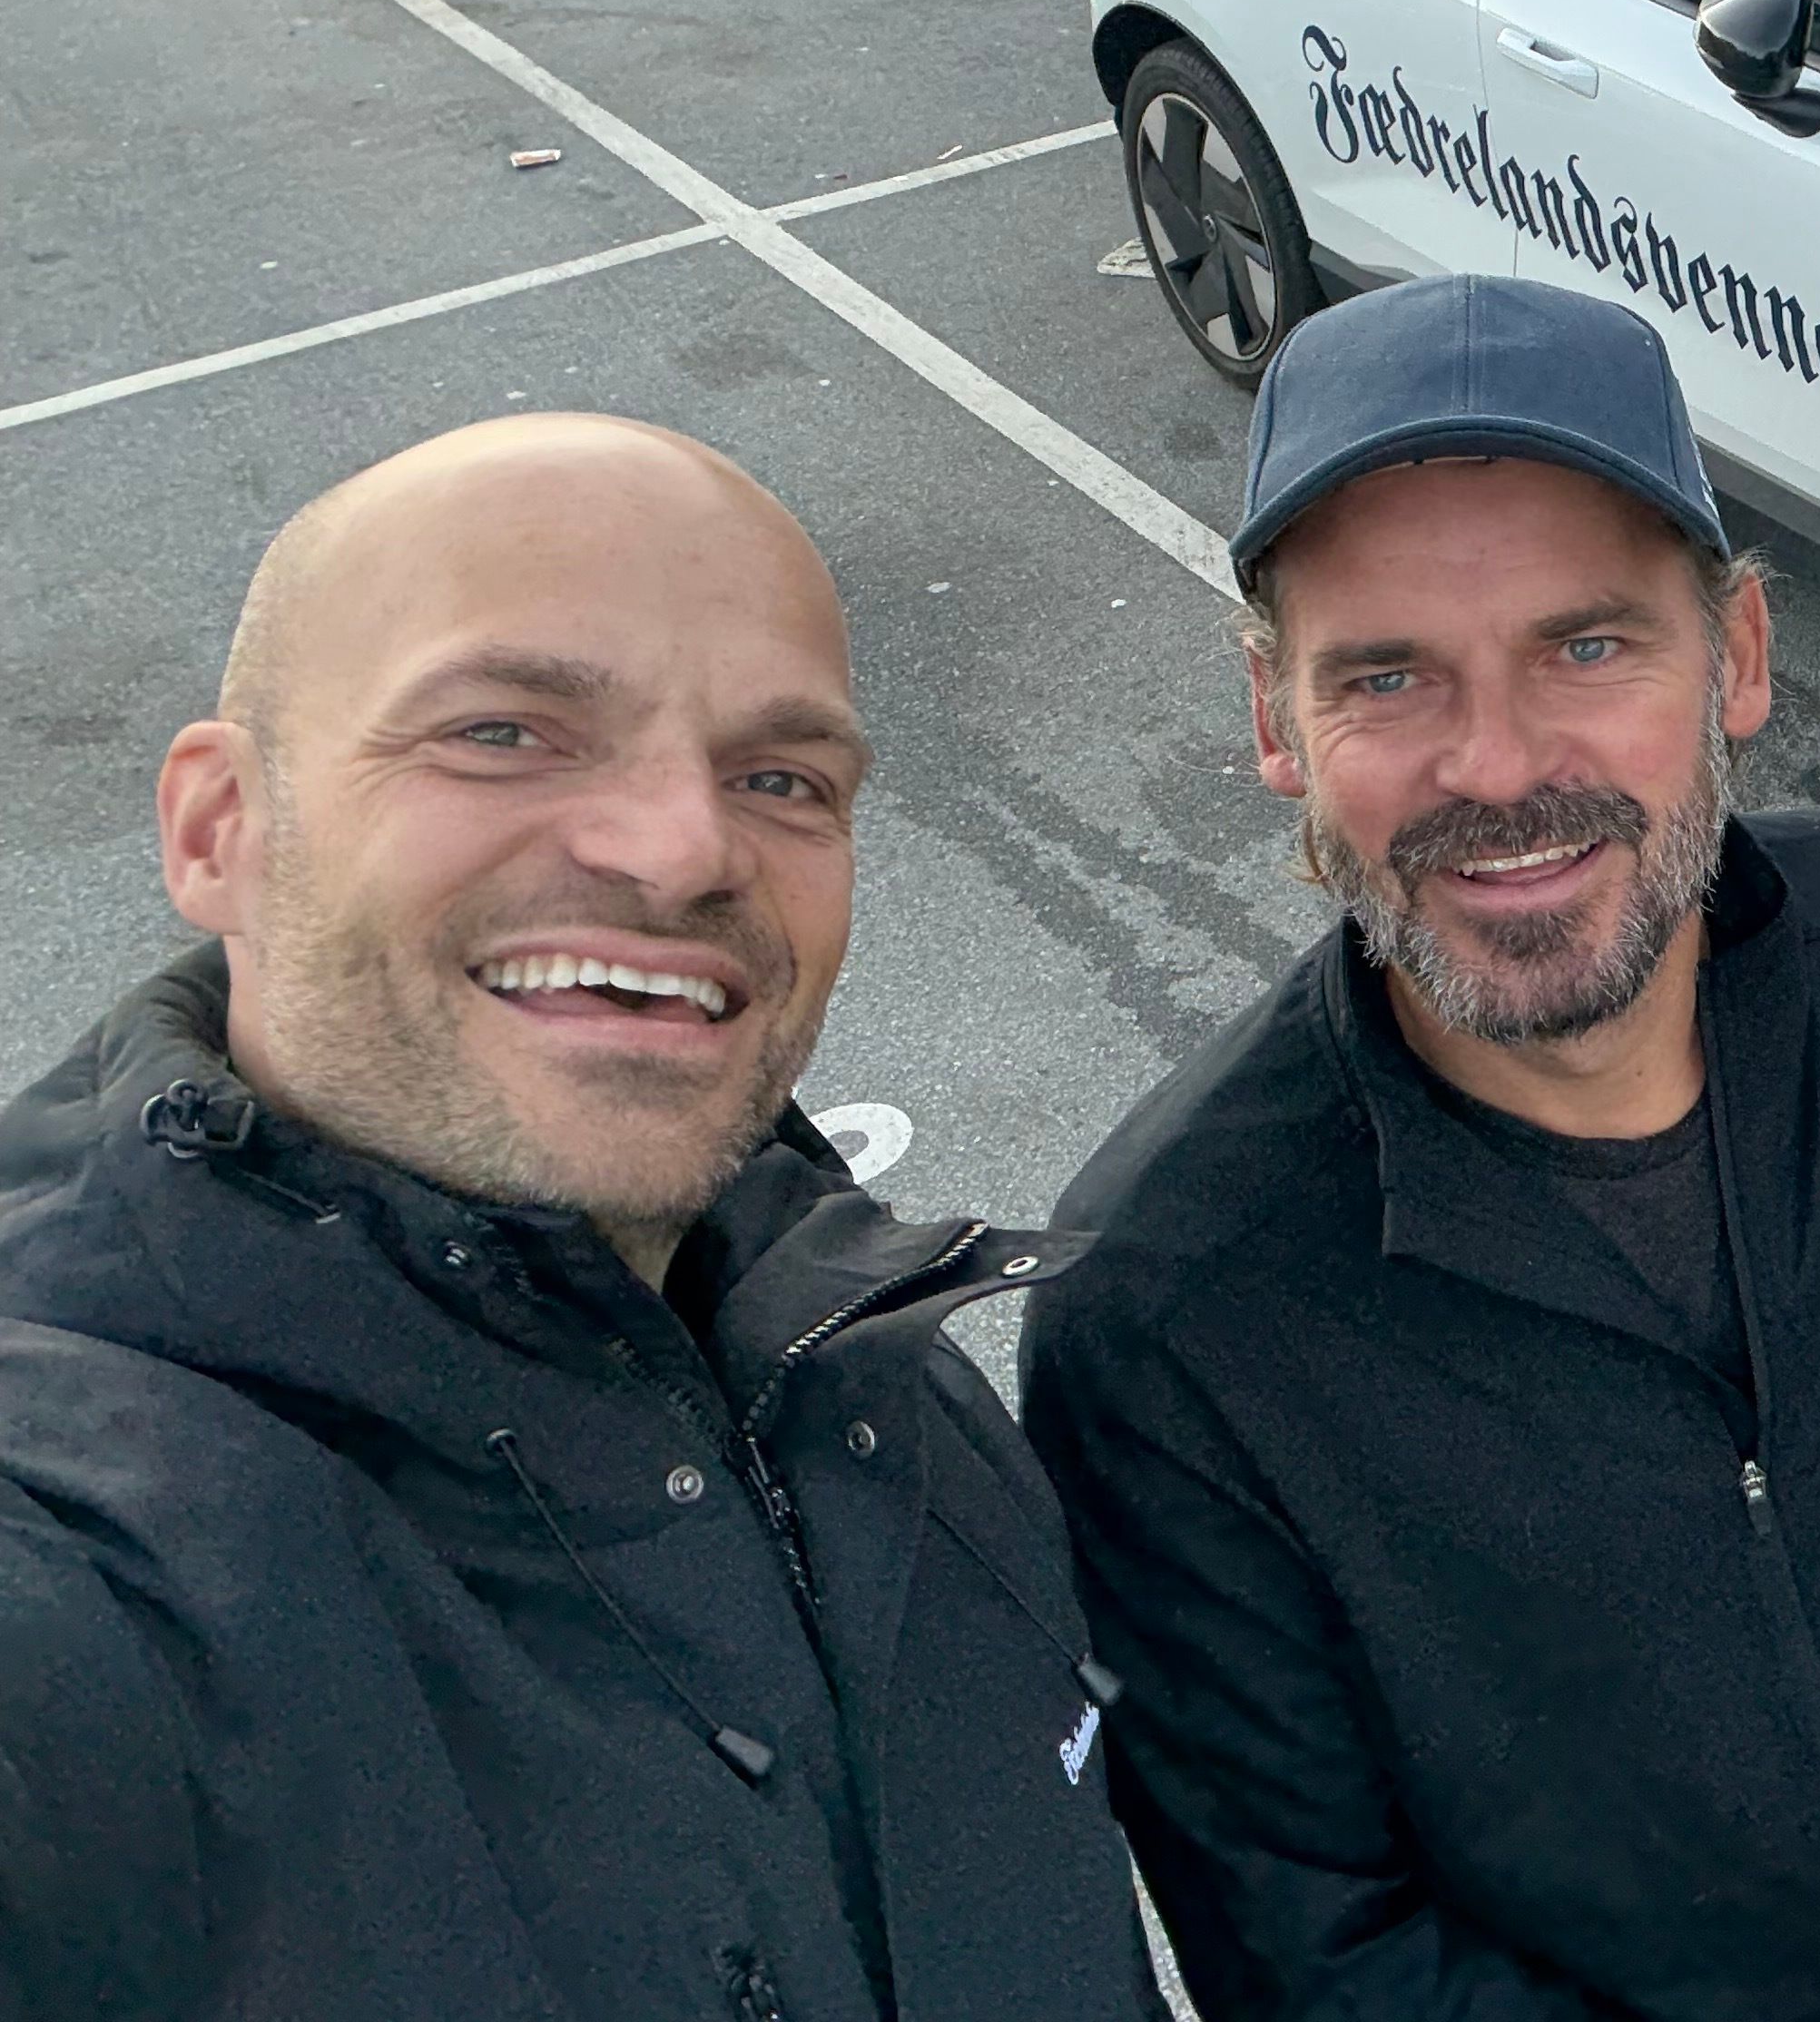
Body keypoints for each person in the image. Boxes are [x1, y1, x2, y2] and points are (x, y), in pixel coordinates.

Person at [1019, 273, 1820, 2021]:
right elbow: (1318, 1947)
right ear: (1278, 720)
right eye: (1387, 677)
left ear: (1740, 655)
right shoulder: (1169, 1312)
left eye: (1587, 647)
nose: (1498, 766)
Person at [0, 416, 1159, 2022]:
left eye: (780, 777)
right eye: (502, 733)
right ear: (219, 828)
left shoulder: (870, 1366)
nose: (682, 849)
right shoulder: (82, 1566)